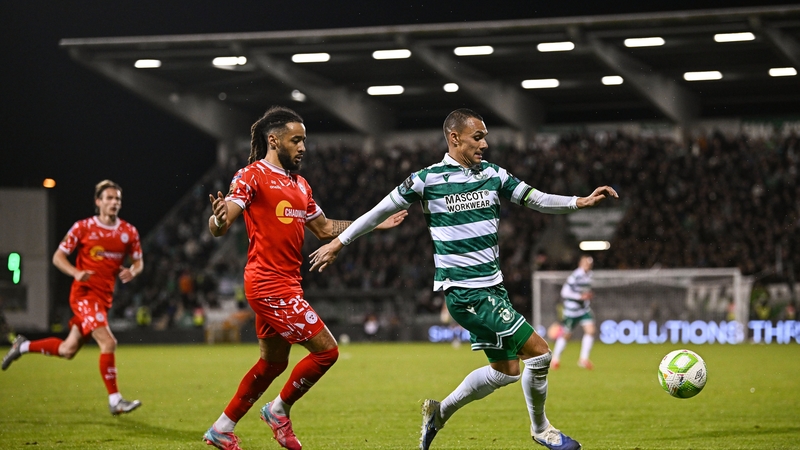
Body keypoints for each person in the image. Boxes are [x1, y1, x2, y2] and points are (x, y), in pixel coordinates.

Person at [309, 108, 618, 450]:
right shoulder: (426, 179)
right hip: (466, 293)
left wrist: (580, 201)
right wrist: (338, 242)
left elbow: (537, 199)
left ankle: (439, 413)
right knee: (540, 355)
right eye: (478, 137)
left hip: (493, 289)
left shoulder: (493, 174)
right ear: (454, 138)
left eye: (485, 136)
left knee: (505, 372)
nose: (485, 143)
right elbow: (377, 213)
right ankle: (541, 429)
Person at [202, 106, 406, 450]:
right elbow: (222, 224)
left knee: (273, 363)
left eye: (304, 140)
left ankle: (222, 428)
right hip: (267, 283)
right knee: (327, 352)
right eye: (296, 140)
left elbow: (325, 229)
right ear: (273, 140)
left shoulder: (300, 185)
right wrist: (219, 220)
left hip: (287, 283)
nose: (303, 147)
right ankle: (278, 410)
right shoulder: (251, 176)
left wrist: (371, 223)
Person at [2, 180, 143, 415]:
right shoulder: (83, 227)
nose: (114, 202)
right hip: (83, 296)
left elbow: (139, 261)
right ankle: (115, 401)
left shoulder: (128, 232)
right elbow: (58, 257)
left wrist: (133, 271)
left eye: (117, 199)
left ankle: (22, 345)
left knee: (68, 350)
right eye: (109, 198)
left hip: (103, 298)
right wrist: (76, 272)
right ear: (98, 202)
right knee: (108, 342)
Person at [551, 254, 596, 370]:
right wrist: (580, 296)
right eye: (586, 263)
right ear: (580, 264)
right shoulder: (576, 275)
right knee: (566, 335)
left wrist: (587, 295)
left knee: (590, 331)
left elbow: (584, 290)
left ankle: (583, 359)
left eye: (589, 264)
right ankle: (555, 358)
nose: (588, 266)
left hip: (584, 308)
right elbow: (564, 292)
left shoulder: (590, 275)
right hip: (572, 310)